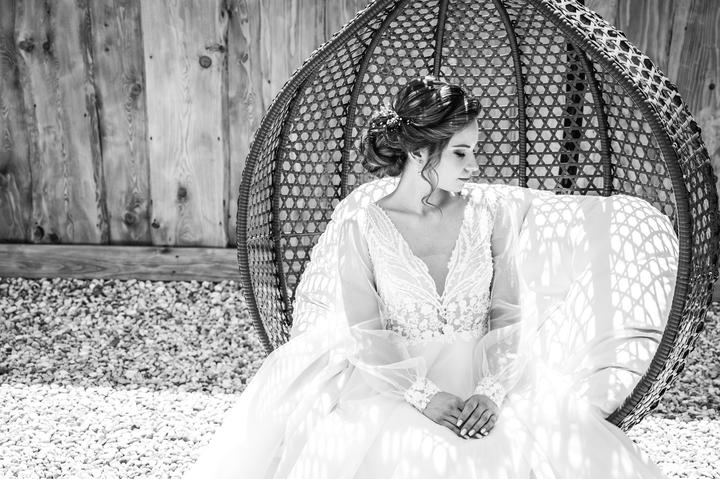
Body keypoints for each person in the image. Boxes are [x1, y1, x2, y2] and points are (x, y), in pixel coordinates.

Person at [184, 76, 669, 478]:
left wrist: (491, 391)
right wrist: (423, 395)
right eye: (461, 153)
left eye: (474, 151)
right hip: (389, 381)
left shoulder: (490, 218)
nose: (475, 166)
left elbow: (508, 315)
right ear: (419, 152)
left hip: (483, 377)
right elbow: (365, 331)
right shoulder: (363, 226)